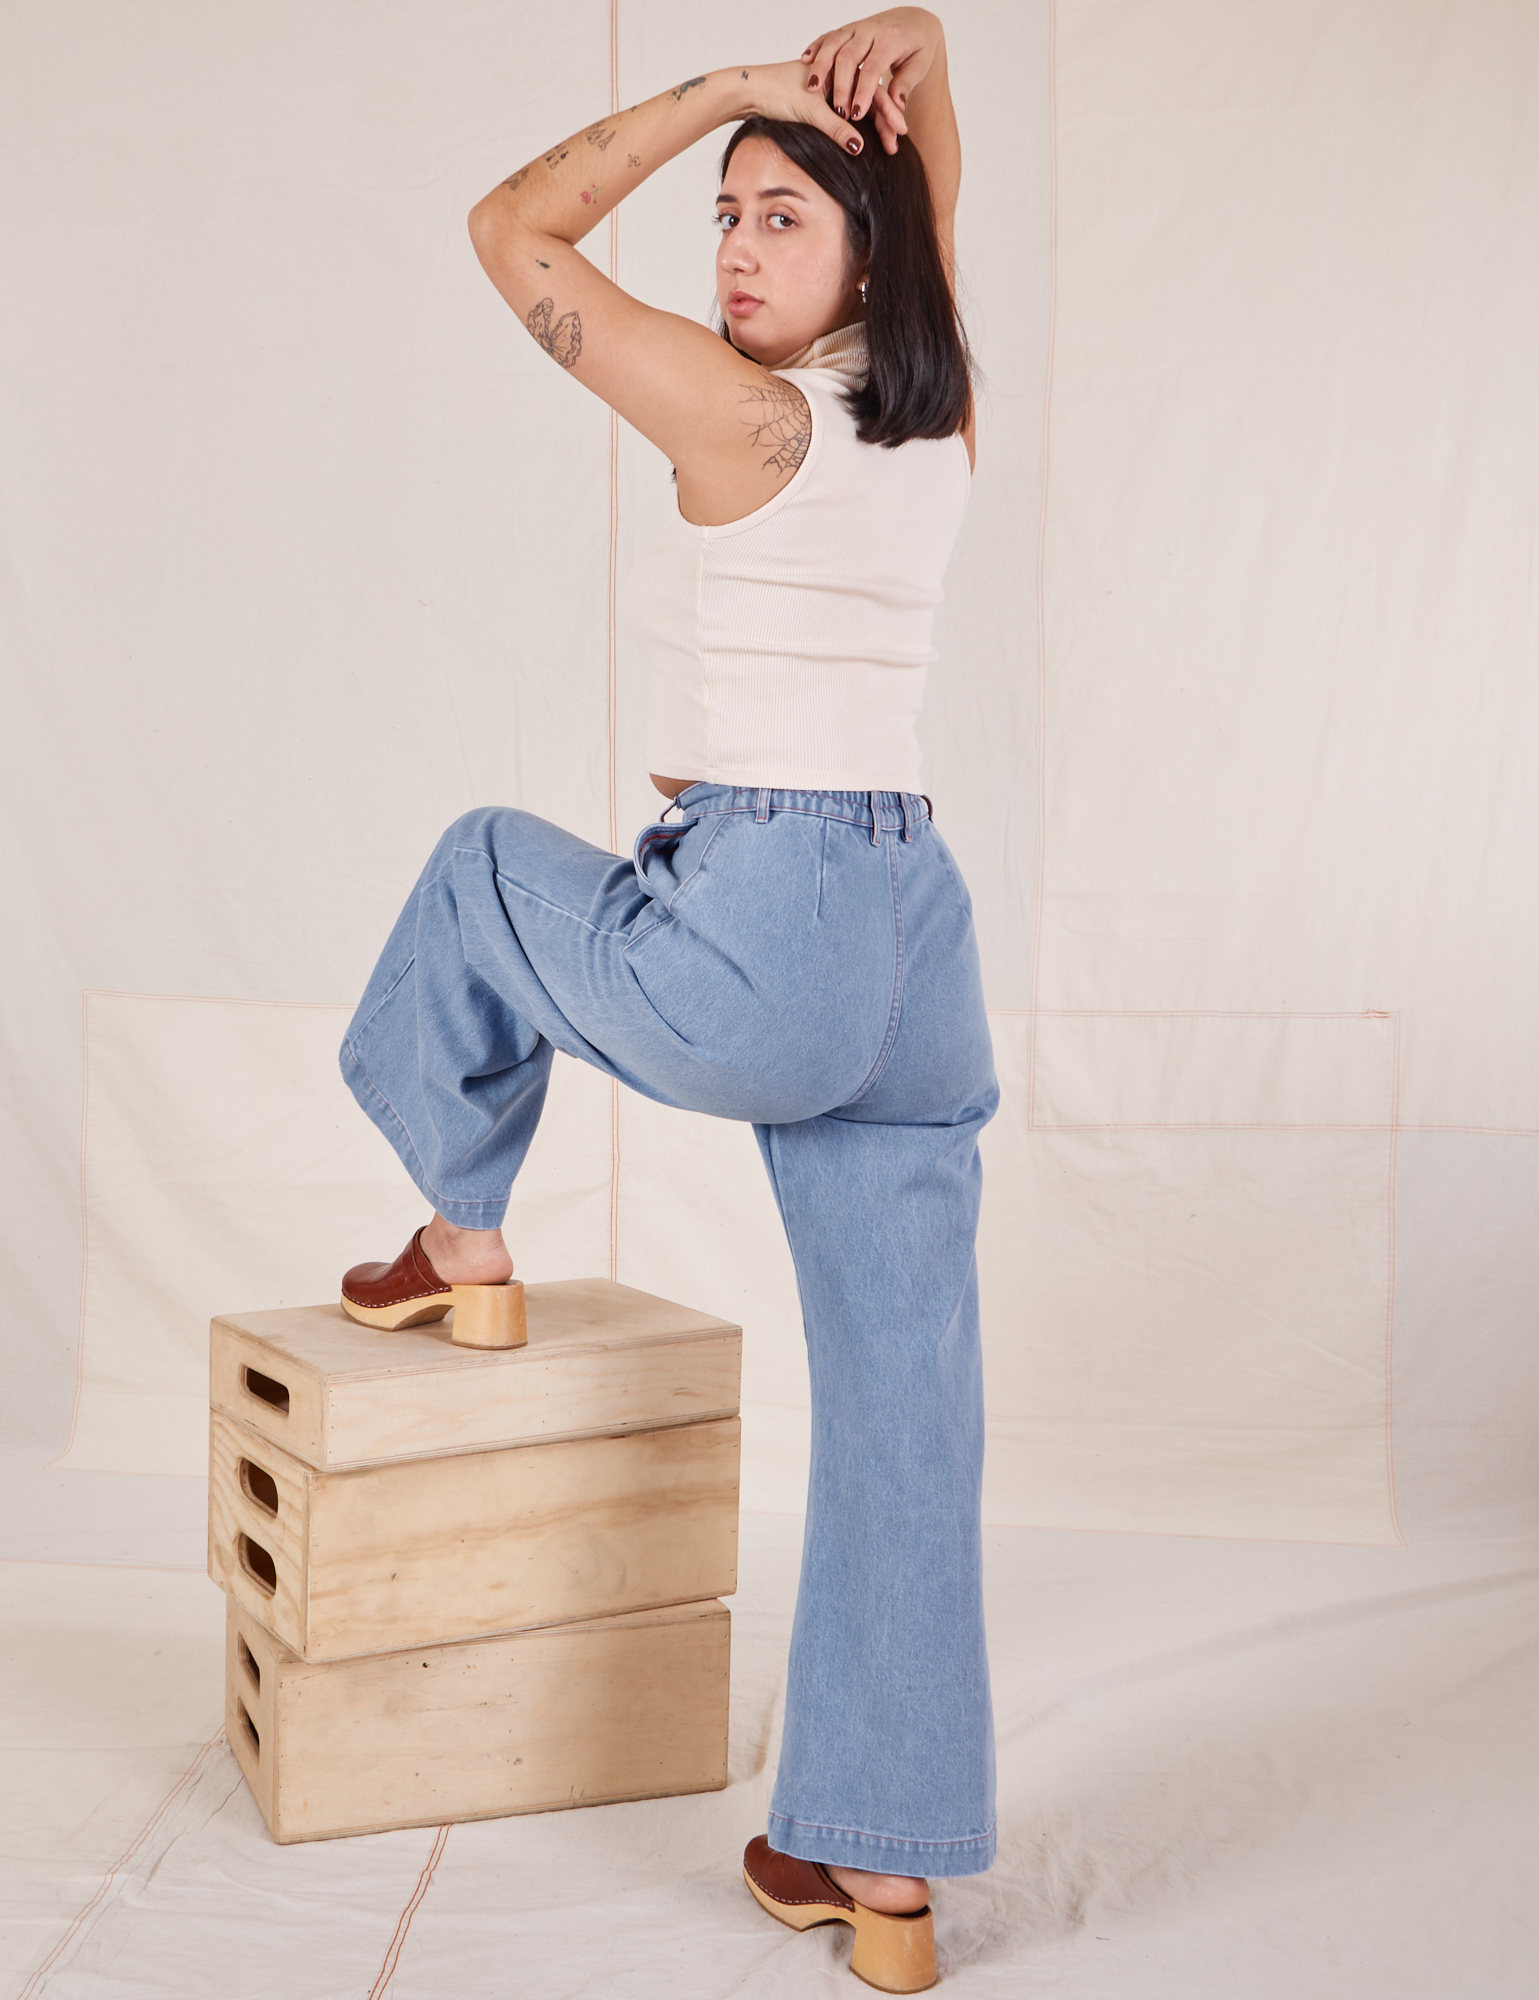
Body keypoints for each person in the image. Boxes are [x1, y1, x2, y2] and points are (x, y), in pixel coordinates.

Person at [336, 11, 993, 1990]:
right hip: (915, 941)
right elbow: (933, 161)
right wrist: (918, 60)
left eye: (778, 221)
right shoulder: (930, 402)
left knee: (474, 863)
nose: (728, 252)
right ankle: (876, 1876)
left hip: (786, 925)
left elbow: (508, 232)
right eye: (723, 220)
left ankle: (463, 1229)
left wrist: (720, 86)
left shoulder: (752, 417)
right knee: (907, 1411)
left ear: (861, 259)